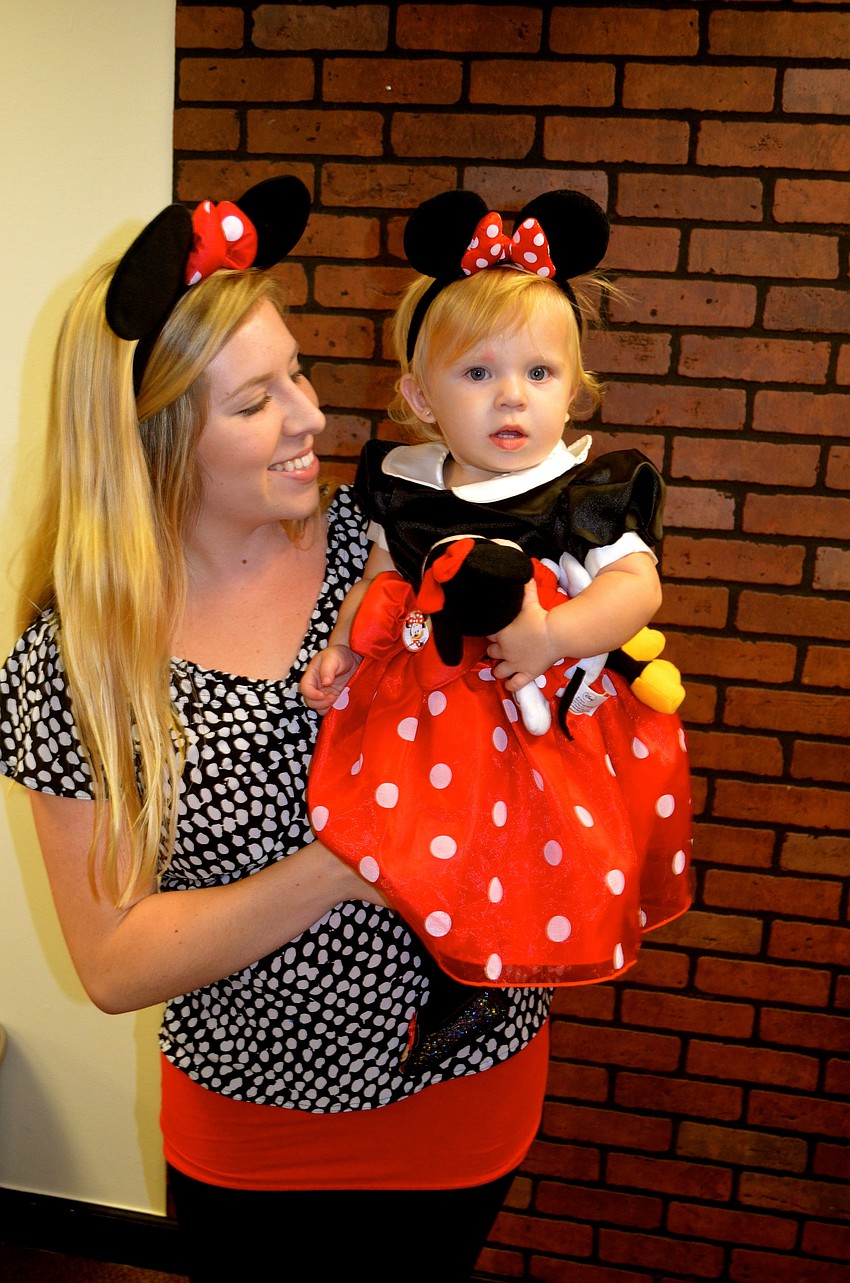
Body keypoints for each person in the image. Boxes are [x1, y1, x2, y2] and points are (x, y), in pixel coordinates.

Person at [0, 178, 553, 1283]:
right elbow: (110, 962)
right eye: (255, 401)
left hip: (465, 1080)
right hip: (254, 1120)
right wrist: (349, 861)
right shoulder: (77, 660)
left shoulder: (395, 550)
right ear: (151, 441)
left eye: (295, 371)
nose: (310, 417)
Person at [301, 188, 693, 991]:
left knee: (533, 860)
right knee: (424, 856)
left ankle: (488, 977)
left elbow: (635, 589)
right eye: (479, 371)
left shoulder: (583, 489)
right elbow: (380, 579)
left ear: (574, 390)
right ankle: (435, 957)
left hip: (548, 721)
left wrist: (554, 632)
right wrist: (344, 643)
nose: (512, 394)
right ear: (421, 396)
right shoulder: (405, 485)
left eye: (539, 372)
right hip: (431, 715)